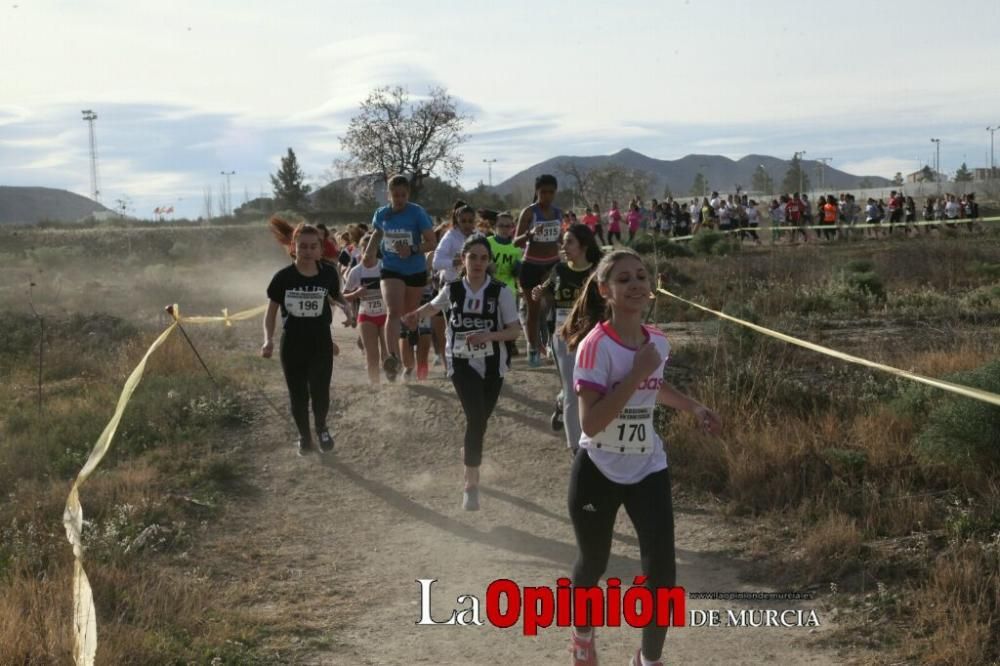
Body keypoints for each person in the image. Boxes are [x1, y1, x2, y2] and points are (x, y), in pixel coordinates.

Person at [561, 249, 721, 666]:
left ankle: (648, 660)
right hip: (599, 469)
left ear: (651, 286)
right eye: (623, 279)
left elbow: (654, 386)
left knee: (662, 574)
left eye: (641, 277)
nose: (635, 284)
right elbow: (591, 423)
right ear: (605, 291)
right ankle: (582, 633)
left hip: (648, 466)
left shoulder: (658, 342)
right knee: (592, 562)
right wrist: (636, 372)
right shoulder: (594, 348)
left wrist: (693, 407)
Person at [403, 236, 522, 511]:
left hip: (493, 363)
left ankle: (469, 452)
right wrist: (415, 315)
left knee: (480, 422)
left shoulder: (501, 291)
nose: (478, 263)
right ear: (463, 259)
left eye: (483, 258)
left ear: (489, 261)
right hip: (460, 361)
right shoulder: (453, 288)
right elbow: (434, 306)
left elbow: (515, 330)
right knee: (476, 416)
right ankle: (471, 482)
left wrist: (489, 336)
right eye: (473, 257)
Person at [263, 220, 351, 455]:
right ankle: (304, 435)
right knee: (298, 394)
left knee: (321, 391)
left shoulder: (329, 275)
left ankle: (321, 427)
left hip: (320, 343)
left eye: (313, 246)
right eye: (303, 246)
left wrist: (348, 309)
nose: (308, 251)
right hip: (292, 344)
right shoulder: (283, 278)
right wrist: (268, 339)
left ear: (321, 249)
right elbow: (271, 312)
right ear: (294, 247)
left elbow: (337, 296)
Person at [531, 224, 602, 445]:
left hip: (593, 338)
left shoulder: (598, 271)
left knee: (592, 386)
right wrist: (538, 292)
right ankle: (576, 448)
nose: (564, 246)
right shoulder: (559, 269)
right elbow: (545, 289)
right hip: (564, 337)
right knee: (574, 391)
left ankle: (560, 402)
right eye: (564, 242)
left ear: (584, 245)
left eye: (569, 241)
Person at [364, 174, 438, 382]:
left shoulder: (417, 213)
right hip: (391, 268)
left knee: (409, 316)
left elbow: (432, 242)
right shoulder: (382, 214)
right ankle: (392, 357)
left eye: (403, 195)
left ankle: (411, 343)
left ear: (408, 194)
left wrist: (413, 248)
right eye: (395, 195)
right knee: (393, 311)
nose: (399, 199)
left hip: (414, 269)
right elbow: (376, 235)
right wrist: (369, 253)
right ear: (389, 195)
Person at [514, 174, 563, 367]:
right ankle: (533, 349)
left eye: (551, 192)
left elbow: (560, 238)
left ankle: (555, 347)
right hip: (532, 266)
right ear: (537, 192)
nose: (547, 196)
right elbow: (516, 242)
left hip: (553, 265)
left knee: (556, 308)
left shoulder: (558, 213)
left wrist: (569, 243)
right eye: (543, 192)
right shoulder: (529, 212)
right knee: (533, 311)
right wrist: (530, 234)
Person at [343, 234, 389, 386]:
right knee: (372, 354)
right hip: (366, 315)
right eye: (365, 249)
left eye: (372, 248)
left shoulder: (385, 266)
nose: (368, 252)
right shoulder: (356, 271)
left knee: (387, 352)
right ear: (360, 251)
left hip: (386, 314)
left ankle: (393, 382)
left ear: (377, 250)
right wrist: (356, 294)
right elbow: (343, 297)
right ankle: (374, 385)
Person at [433, 203, 479, 284]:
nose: (467, 224)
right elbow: (436, 263)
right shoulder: (450, 237)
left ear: (474, 221)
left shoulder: (480, 236)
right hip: (451, 282)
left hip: (473, 284)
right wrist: (456, 262)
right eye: (463, 221)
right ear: (457, 221)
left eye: (470, 221)